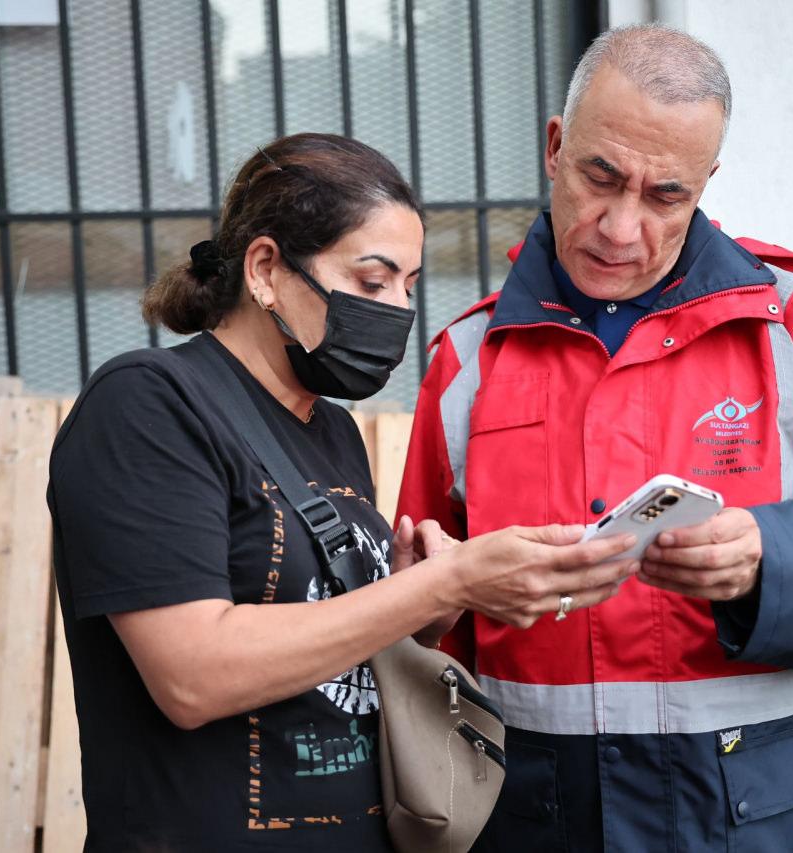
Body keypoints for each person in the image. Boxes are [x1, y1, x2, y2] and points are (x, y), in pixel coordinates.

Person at [396, 25, 793, 852]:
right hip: (539, 818)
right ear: (556, 146)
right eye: (601, 176)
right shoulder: (468, 361)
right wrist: (432, 587)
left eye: (666, 195)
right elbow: (410, 613)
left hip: (755, 819)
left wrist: (770, 560)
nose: (621, 228)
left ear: (706, 184)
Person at [47, 133, 640, 852]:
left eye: (409, 285)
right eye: (371, 279)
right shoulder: (149, 404)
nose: (396, 308)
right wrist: (441, 583)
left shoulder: (331, 429)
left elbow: (328, 637)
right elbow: (193, 674)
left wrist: (419, 594)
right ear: (265, 268)